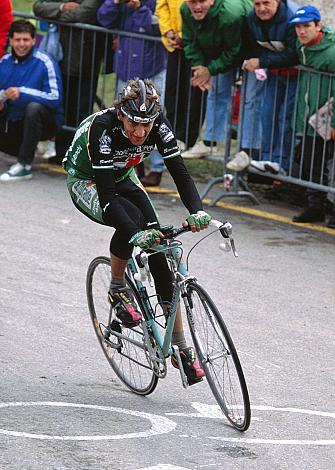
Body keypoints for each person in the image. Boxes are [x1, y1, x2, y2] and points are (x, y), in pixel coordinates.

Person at [63, 78, 211, 384]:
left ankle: (182, 348)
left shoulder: (158, 126)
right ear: (121, 114)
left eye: (147, 125)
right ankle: (117, 288)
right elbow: (106, 195)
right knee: (129, 221)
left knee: (158, 247)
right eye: (134, 124)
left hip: (123, 174)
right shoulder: (102, 128)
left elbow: (179, 172)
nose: (140, 132)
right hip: (88, 180)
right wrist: (134, 233)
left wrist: (196, 209)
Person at [97, 0, 167, 187]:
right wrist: (114, 2)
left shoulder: (155, 2)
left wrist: (139, 8)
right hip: (126, 69)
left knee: (155, 118)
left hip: (152, 68)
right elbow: (104, 18)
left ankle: (157, 168)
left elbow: (160, 27)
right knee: (124, 119)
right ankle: (127, 164)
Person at [33, 0, 107, 164]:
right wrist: (61, 7)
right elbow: (38, 7)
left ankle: (79, 156)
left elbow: (83, 13)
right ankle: (61, 153)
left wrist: (56, 15)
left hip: (86, 61)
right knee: (62, 110)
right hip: (60, 59)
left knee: (81, 112)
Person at [180, 0, 252, 160]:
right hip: (220, 52)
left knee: (251, 100)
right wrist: (200, 67)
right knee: (215, 93)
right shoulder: (185, 9)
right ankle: (209, 143)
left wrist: (210, 70)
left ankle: (248, 150)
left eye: (202, 1)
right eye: (192, 1)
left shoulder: (230, 15)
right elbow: (189, 41)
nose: (197, 6)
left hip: (249, 50)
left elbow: (235, 50)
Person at [289, 5, 335, 227]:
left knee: (332, 166)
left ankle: (333, 210)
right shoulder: (301, 45)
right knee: (310, 162)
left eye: (306, 26)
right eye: (298, 27)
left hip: (329, 117)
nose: (301, 31)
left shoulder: (332, 50)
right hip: (310, 118)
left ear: (319, 26)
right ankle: (315, 207)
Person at [0, 20, 63, 181]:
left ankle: (24, 166)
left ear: (34, 40)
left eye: (26, 40)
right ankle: (18, 152)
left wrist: (22, 92)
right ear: (11, 41)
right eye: (18, 40)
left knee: (33, 108)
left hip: (45, 123)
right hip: (13, 122)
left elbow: (55, 98)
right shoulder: (4, 61)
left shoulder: (45, 62)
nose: (22, 44)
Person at [242, 0, 299, 174]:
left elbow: (293, 54)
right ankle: (267, 159)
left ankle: (282, 162)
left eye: (266, 3)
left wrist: (261, 61)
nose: (261, 8)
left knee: (285, 117)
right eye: (257, 4)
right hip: (275, 73)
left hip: (295, 75)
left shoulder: (291, 17)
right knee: (267, 113)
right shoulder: (252, 18)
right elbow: (252, 46)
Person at [156, 0, 205, 154]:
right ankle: (170, 134)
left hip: (197, 44)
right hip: (174, 45)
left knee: (193, 92)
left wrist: (184, 36)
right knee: (173, 90)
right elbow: (161, 6)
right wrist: (168, 32)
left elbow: (204, 8)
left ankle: (185, 137)